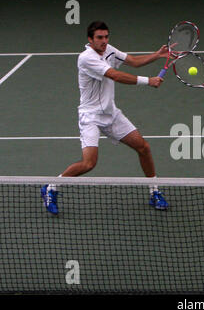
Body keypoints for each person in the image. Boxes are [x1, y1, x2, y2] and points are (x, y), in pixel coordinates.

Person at [41, 21, 171, 215]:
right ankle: (51, 187)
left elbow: (133, 62)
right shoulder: (86, 58)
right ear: (90, 39)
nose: (104, 41)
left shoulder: (108, 49)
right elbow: (115, 75)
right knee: (89, 164)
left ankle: (154, 192)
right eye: (99, 38)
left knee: (143, 147)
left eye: (106, 37)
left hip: (111, 114)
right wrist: (148, 81)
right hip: (91, 117)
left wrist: (156, 55)